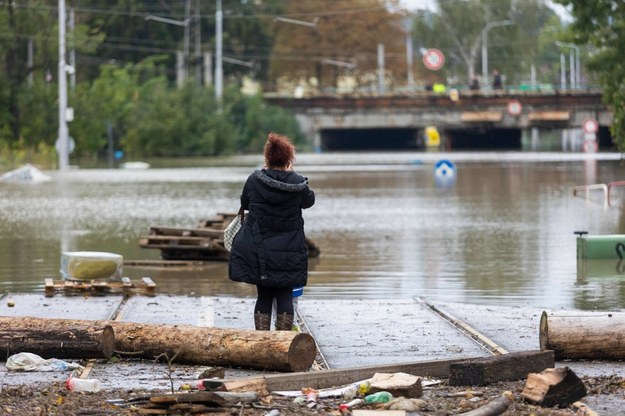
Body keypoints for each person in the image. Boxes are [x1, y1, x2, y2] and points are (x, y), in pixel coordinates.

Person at [229, 133, 315, 331]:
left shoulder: (254, 180)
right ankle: (284, 343)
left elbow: (245, 203)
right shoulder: (298, 183)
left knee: (264, 294)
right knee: (285, 294)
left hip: (260, 248)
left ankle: (263, 342)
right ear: (288, 159)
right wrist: (292, 174)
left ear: (267, 158)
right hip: (289, 250)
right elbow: (309, 201)